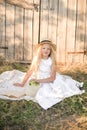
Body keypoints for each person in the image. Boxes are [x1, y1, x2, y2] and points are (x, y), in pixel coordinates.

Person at [0, 40, 85, 110]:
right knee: (31, 87)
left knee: (48, 92)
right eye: (43, 48)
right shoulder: (37, 59)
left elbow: (52, 78)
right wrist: (22, 83)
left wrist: (38, 80)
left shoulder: (52, 61)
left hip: (49, 79)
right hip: (39, 77)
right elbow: (30, 72)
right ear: (40, 50)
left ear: (50, 51)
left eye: (48, 49)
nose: (46, 50)